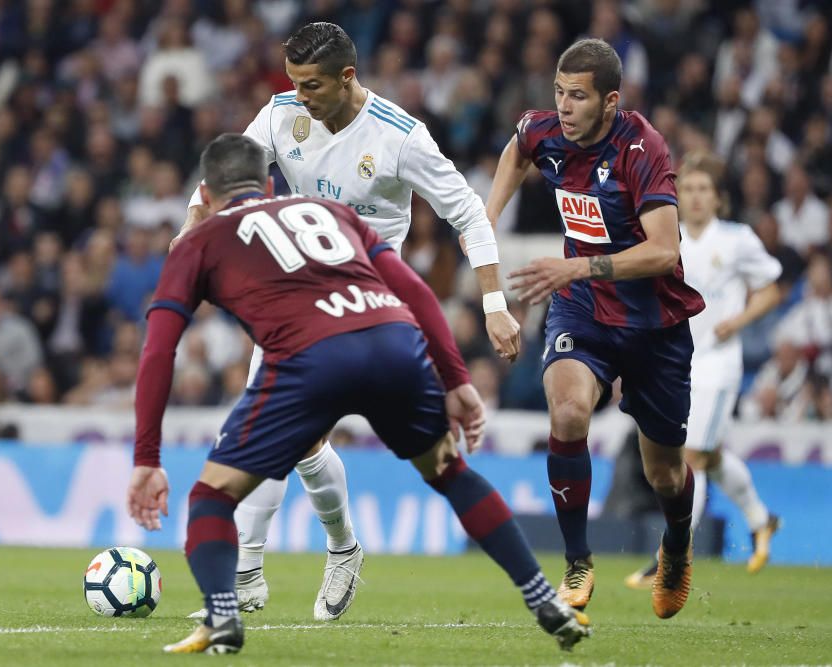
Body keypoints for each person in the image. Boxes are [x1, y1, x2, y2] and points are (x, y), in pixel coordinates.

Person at [127, 134, 590, 654]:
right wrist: (456, 379)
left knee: (211, 495)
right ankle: (543, 599)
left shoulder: (200, 241)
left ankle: (223, 616)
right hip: (393, 341)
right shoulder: (327, 210)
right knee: (451, 473)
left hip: (310, 356)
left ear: (206, 195)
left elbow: (159, 351)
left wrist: (146, 457)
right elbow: (413, 290)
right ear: (269, 184)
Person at [174, 22, 520, 621]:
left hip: (369, 292)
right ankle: (299, 558)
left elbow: (468, 213)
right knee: (284, 432)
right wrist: (190, 232)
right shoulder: (283, 114)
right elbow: (222, 180)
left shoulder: (400, 138)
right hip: (295, 282)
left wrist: (493, 305)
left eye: (311, 85)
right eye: (293, 82)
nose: (299, 95)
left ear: (347, 77)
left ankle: (289, 557)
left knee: (292, 426)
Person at [485, 38, 705, 619]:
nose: (563, 106)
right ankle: (578, 561)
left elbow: (663, 251)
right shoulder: (546, 131)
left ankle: (676, 545)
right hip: (582, 306)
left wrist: (577, 263)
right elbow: (517, 148)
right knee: (568, 413)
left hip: (655, 323)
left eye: (577, 96)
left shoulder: (643, 148)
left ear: (610, 101)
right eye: (558, 92)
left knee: (663, 470)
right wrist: (485, 219)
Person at [624, 151, 783, 589]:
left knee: (687, 455)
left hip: (717, 361)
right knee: (707, 456)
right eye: (687, 189)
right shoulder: (665, 239)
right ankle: (761, 518)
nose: (694, 198)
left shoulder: (737, 239)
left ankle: (672, 556)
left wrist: (740, 321)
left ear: (718, 198)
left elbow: (771, 288)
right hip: (676, 360)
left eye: (703, 190)